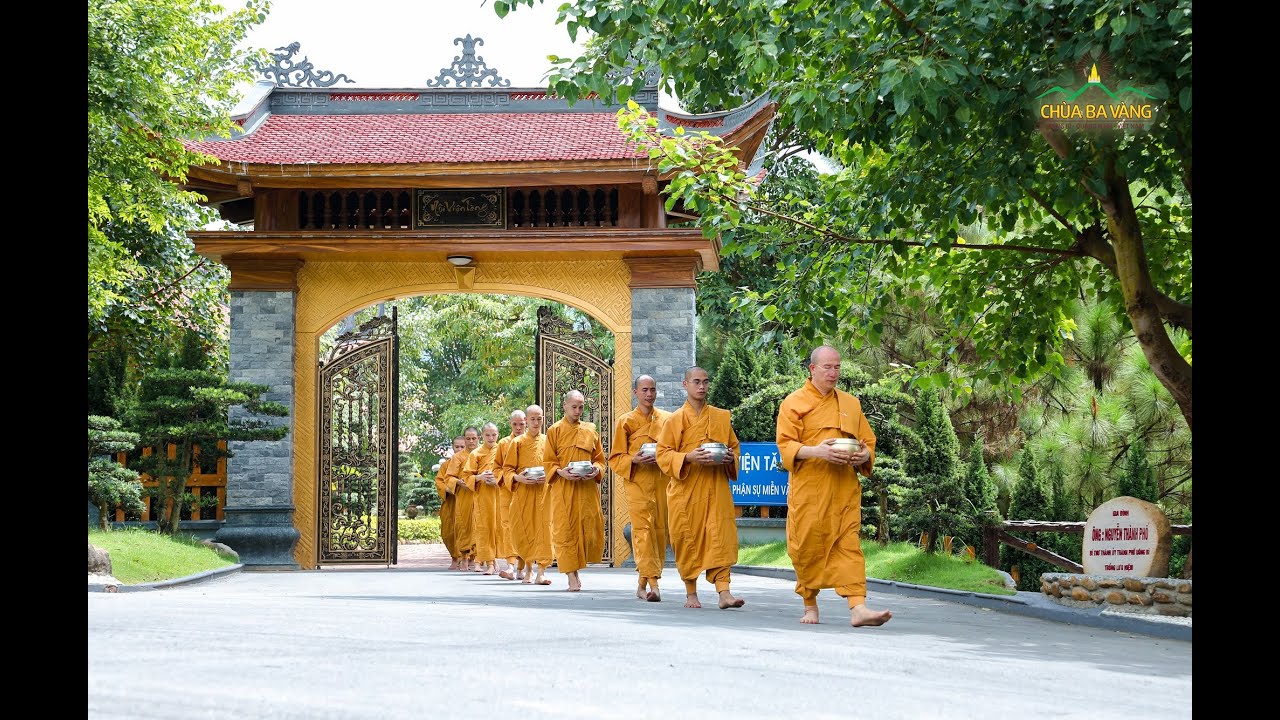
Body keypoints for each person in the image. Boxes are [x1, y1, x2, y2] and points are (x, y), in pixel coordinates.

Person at [776, 345, 892, 628]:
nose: (833, 373)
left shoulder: (851, 404)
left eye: (837, 367)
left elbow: (867, 442)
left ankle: (858, 608)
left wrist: (864, 455)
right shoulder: (793, 403)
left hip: (843, 489)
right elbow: (786, 445)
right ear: (812, 369)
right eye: (827, 367)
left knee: (849, 545)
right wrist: (817, 451)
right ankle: (810, 603)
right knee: (806, 546)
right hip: (810, 489)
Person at [656, 366, 745, 610]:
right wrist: (688, 457)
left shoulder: (720, 416)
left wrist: (731, 458)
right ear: (685, 385)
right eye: (696, 381)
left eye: (705, 382)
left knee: (721, 537)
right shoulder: (675, 419)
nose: (702, 386)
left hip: (716, 488)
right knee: (688, 539)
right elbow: (663, 454)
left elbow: (734, 448)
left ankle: (724, 592)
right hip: (687, 491)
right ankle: (691, 592)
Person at [609, 374, 673, 602]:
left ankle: (641, 585)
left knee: (659, 532)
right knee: (643, 531)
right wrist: (634, 459)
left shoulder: (667, 420)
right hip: (637, 483)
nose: (649, 394)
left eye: (652, 390)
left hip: (662, 481)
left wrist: (664, 457)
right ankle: (654, 584)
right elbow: (616, 457)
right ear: (635, 392)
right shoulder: (625, 421)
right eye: (644, 390)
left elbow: (673, 450)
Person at [543, 390, 606, 592]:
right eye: (574, 407)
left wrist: (596, 470)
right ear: (565, 406)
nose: (578, 411)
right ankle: (571, 575)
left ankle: (576, 570)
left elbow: (599, 459)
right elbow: (548, 461)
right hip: (564, 489)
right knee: (565, 531)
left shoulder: (590, 429)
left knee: (587, 531)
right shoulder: (554, 430)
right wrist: (560, 472)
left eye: (581, 407)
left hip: (586, 489)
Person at [504, 404, 553, 585]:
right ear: (526, 420)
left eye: (539, 419)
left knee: (545, 529)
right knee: (525, 529)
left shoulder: (548, 441)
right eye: (532, 419)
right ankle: (528, 569)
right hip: (523, 492)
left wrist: (549, 475)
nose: (536, 422)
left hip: (543, 492)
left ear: (543, 419)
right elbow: (507, 469)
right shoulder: (517, 442)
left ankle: (542, 571)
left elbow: (554, 465)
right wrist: (519, 478)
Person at [465, 422, 504, 575]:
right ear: (482, 436)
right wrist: (480, 477)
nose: (491, 438)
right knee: (484, 528)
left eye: (494, 435)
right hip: (483, 497)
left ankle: (498, 560)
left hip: (499, 495)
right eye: (487, 435)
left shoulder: (503, 451)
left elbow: (508, 470)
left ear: (498, 435)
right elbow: (467, 476)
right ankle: (489, 563)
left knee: (499, 527)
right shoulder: (476, 453)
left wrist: (497, 479)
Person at [495, 409, 527, 580]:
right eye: (515, 424)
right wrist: (511, 478)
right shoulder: (503, 443)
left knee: (525, 527)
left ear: (526, 422)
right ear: (510, 424)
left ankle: (522, 567)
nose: (518, 427)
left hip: (527, 490)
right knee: (508, 527)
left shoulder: (531, 442)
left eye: (521, 424)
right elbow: (496, 468)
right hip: (508, 491)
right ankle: (510, 566)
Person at [446, 426, 480, 571]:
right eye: (468, 438)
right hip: (464, 496)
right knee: (463, 527)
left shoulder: (483, 454)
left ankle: (479, 559)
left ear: (478, 438)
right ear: (464, 439)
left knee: (480, 526)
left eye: (474, 438)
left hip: (480, 495)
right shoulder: (458, 457)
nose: (471, 441)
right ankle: (464, 557)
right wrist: (459, 482)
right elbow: (449, 477)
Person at [436, 436, 465, 570]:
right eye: (457, 447)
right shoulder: (445, 465)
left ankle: (469, 558)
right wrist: (451, 488)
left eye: (462, 447)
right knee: (448, 532)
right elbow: (439, 482)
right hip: (450, 503)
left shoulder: (472, 461)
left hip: (467, 501)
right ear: (453, 448)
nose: (459, 449)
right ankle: (455, 557)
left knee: (467, 529)